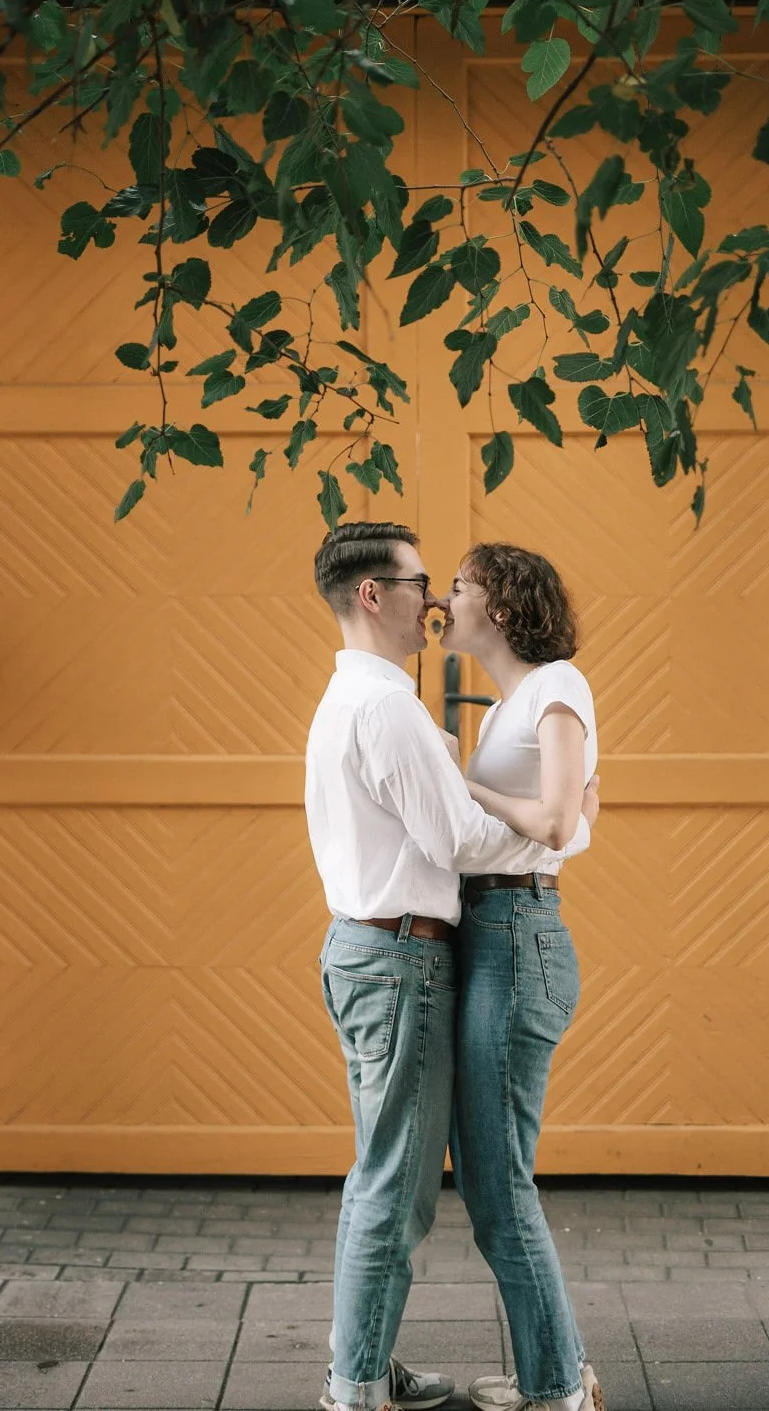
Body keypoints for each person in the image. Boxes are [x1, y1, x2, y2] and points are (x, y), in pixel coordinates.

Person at [305, 522, 593, 1411]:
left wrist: (554, 824)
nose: (435, 599)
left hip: (427, 948)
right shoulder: (389, 709)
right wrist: (555, 824)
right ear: (372, 594)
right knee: (399, 1187)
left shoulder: (368, 698)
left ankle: (390, 1370)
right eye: (423, 583)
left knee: (445, 1181)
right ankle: (359, 1380)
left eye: (451, 586)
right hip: (402, 956)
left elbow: (523, 820)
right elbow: (463, 839)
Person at [441, 542, 603, 1411]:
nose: (443, 597)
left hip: (517, 935)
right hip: (494, 932)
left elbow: (556, 820)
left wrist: (466, 793)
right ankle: (554, 1372)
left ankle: (560, 1389)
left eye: (459, 586)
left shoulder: (556, 686)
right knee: (491, 1178)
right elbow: (578, 818)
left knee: (499, 1184)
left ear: (499, 604)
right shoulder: (509, 708)